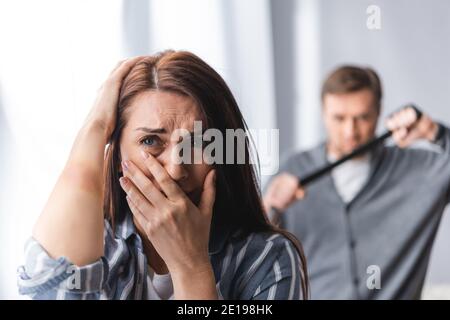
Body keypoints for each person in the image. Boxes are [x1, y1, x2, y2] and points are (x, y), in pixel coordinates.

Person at [17, 51, 308, 300]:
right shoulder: (96, 245)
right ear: (118, 155)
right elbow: (51, 291)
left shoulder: (268, 258)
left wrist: (190, 267)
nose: (175, 170)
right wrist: (95, 126)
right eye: (150, 142)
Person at [264, 65, 449, 299]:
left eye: (362, 118)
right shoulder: (293, 168)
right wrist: (270, 207)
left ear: (379, 112)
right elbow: (251, 249)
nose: (350, 131)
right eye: (339, 118)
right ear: (323, 112)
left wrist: (433, 131)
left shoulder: (421, 170)